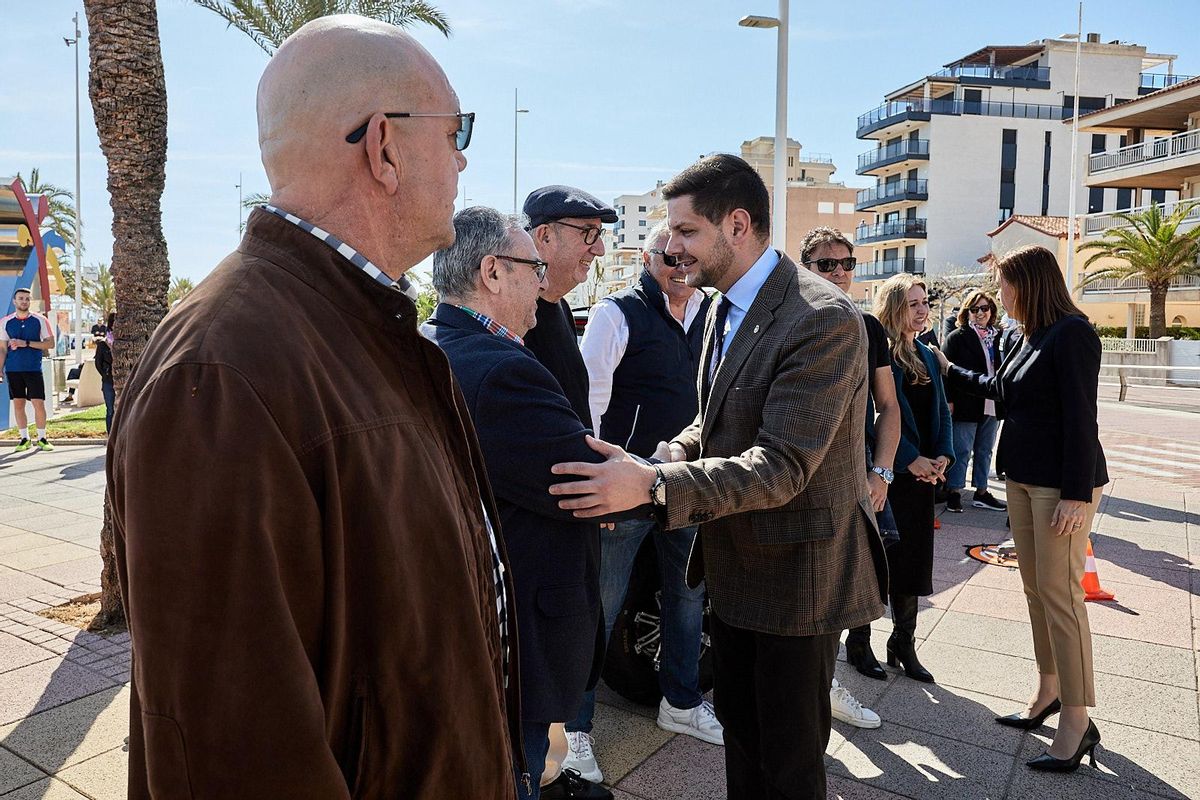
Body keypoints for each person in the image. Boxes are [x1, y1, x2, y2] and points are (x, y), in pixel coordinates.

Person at [106, 16, 521, 799]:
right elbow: (232, 749)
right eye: (455, 129)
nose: (464, 157)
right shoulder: (224, 371)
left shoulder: (358, 324)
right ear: (385, 149)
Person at [547, 154, 888, 800]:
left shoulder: (823, 318)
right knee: (743, 752)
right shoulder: (719, 308)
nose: (671, 248)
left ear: (738, 225)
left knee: (786, 770)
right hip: (732, 576)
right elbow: (714, 419)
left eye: (685, 231)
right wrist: (671, 452)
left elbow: (782, 466)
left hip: (798, 586)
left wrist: (652, 488)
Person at [422, 206, 620, 800]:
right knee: (519, 773)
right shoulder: (502, 370)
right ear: (493, 272)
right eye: (534, 267)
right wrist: (662, 470)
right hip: (520, 633)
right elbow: (592, 482)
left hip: (469, 619)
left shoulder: (434, 341)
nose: (543, 282)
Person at [933, 244, 1108, 773]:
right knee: (1037, 590)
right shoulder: (1026, 334)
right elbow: (1002, 393)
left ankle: (1076, 721)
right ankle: (1049, 692)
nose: (997, 295)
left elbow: (1083, 416)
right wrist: (946, 365)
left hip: (1062, 486)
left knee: (1062, 596)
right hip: (1024, 479)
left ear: (1028, 283)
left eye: (1005, 284)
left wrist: (1077, 494)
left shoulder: (1072, 333)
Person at [569, 222, 721, 783]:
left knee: (686, 599)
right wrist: (602, 489)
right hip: (625, 489)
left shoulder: (711, 314)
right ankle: (576, 729)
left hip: (687, 485)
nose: (680, 266)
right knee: (601, 610)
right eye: (668, 256)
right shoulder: (617, 314)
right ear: (648, 258)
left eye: (688, 256)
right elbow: (588, 408)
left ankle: (680, 703)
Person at [797, 226, 900, 725]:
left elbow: (889, 408)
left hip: (854, 482)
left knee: (846, 591)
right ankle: (812, 690)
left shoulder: (869, 327)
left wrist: (881, 472)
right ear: (805, 268)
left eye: (847, 263)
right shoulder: (793, 320)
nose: (839, 272)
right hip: (795, 479)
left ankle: (831, 682)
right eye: (826, 264)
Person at [873, 274, 954, 684]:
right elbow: (877, 415)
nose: (922, 310)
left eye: (924, 302)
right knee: (878, 560)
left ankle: (903, 641)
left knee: (914, 562)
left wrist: (943, 456)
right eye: (912, 303)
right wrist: (910, 460)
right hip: (888, 474)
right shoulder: (879, 354)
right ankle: (858, 641)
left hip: (923, 479)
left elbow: (941, 412)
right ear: (893, 307)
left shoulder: (927, 354)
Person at [521, 186, 615, 424]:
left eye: (599, 235)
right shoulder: (512, 312)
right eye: (588, 233)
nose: (599, 250)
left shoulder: (562, 307)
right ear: (544, 236)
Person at [943, 290, 1006, 512]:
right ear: (967, 312)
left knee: (985, 450)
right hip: (966, 403)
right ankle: (954, 491)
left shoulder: (999, 337)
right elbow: (945, 371)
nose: (980, 313)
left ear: (992, 311)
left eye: (984, 308)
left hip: (992, 402)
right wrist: (949, 399)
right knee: (961, 449)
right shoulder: (957, 338)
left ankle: (981, 491)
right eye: (975, 309)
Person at [0, 288, 55, 452]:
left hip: (33, 369)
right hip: (13, 369)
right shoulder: (5, 322)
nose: (24, 301)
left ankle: (42, 438)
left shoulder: (40, 320)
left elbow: (50, 344)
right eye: (21, 298)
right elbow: (2, 349)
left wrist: (27, 343)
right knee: (18, 404)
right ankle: (24, 438)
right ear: (14, 302)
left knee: (38, 403)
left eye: (27, 299)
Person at [93, 331, 114, 433]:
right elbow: (98, 363)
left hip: (123, 381)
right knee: (110, 410)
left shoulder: (124, 343)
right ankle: (110, 434)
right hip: (108, 382)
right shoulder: (103, 345)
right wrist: (105, 375)